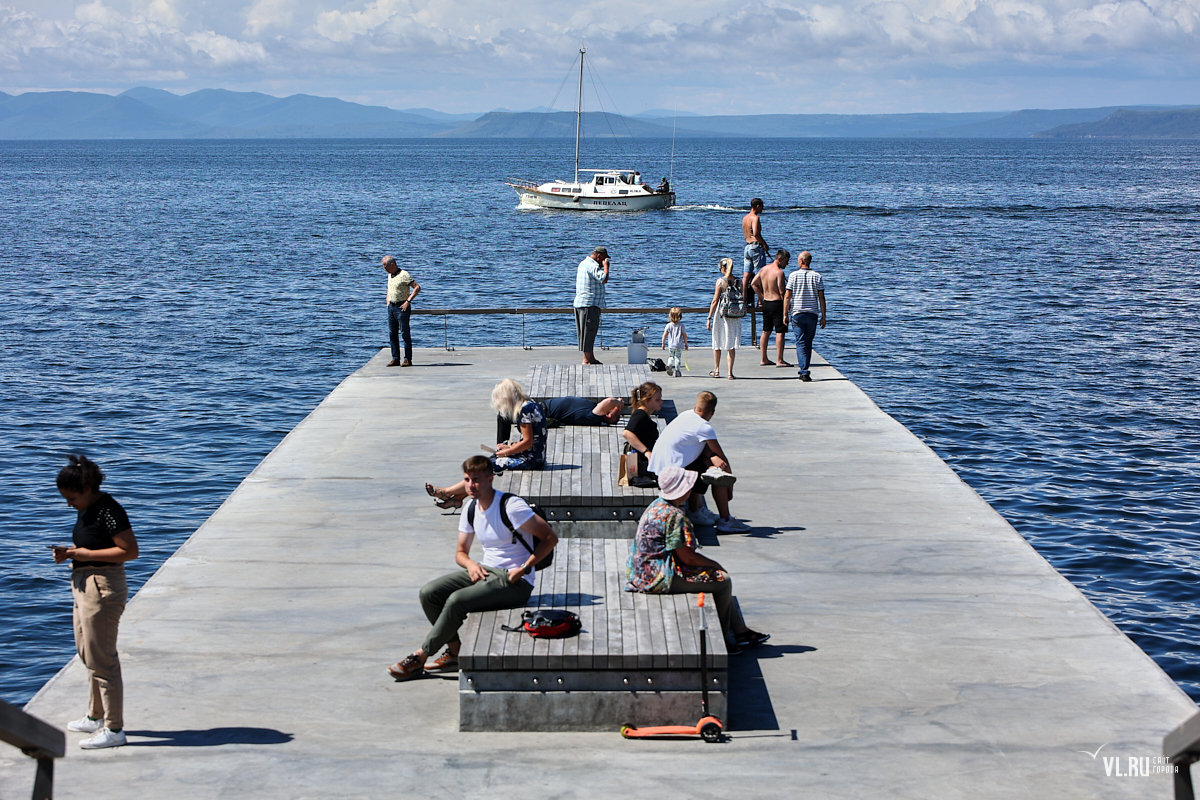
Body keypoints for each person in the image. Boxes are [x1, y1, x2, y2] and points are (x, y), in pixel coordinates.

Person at [391, 456, 557, 681]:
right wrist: (470, 564)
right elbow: (461, 552)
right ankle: (456, 652)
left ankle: (420, 656)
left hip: (515, 580)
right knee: (429, 593)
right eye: (467, 480)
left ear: (490, 479)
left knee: (457, 601)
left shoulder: (512, 507)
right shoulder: (471, 508)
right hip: (486, 572)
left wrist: (525, 568)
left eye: (476, 480)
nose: (471, 486)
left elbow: (550, 538)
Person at [625, 465, 769, 654]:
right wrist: (715, 564)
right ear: (682, 490)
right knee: (722, 580)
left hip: (641, 571)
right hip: (658, 577)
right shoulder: (675, 516)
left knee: (716, 580)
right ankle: (724, 640)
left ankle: (740, 631)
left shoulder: (657, 505)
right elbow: (688, 557)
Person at [52, 455, 139, 749]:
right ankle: (95, 715)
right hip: (83, 584)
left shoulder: (109, 510)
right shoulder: (88, 508)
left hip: (103, 587)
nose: (69, 504)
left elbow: (129, 551)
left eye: (72, 498)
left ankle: (114, 729)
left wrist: (83, 555)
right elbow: (94, 544)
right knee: (86, 652)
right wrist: (71, 553)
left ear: (87, 488)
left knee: (102, 657)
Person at [426, 379, 547, 508]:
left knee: (487, 467)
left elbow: (528, 442)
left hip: (531, 459)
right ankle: (456, 499)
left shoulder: (524, 411)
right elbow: (534, 439)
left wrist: (507, 452)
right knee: (489, 464)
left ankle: (447, 492)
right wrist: (510, 446)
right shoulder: (530, 404)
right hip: (536, 455)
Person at [648, 391, 751, 533]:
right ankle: (725, 520)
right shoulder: (704, 427)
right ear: (712, 412)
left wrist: (712, 457)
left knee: (707, 461)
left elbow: (702, 448)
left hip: (658, 470)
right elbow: (722, 458)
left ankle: (697, 509)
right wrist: (729, 489)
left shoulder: (686, 415)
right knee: (719, 473)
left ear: (696, 406)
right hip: (671, 477)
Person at [783, 250, 827, 382]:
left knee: (800, 342)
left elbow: (787, 296)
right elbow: (821, 297)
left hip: (797, 313)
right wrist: (823, 316)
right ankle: (804, 369)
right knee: (808, 342)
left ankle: (804, 371)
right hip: (812, 313)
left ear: (802, 261)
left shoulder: (793, 276)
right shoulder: (817, 276)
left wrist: (785, 313)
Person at [750, 249, 794, 368]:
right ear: (779, 259)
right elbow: (781, 292)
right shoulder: (779, 273)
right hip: (777, 303)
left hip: (767, 303)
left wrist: (762, 296)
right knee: (780, 331)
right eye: (786, 261)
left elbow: (753, 283)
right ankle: (780, 360)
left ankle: (763, 358)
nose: (787, 264)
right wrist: (787, 308)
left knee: (766, 331)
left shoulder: (764, 269)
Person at [706, 257, 743, 380]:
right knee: (730, 344)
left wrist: (709, 317)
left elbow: (715, 301)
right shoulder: (739, 281)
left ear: (723, 268)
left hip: (722, 314)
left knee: (717, 341)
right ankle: (730, 373)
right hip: (735, 315)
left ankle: (716, 370)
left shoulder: (720, 282)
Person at [622, 381, 664, 485]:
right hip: (640, 465)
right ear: (646, 401)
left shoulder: (643, 414)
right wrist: (646, 452)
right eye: (657, 399)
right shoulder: (640, 415)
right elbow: (627, 433)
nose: (661, 402)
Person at [382, 255, 421, 368]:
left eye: (385, 266)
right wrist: (387, 299)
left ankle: (407, 359)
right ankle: (395, 358)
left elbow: (417, 287)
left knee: (405, 334)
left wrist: (408, 301)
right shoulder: (390, 275)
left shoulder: (404, 275)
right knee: (392, 333)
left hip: (402, 306)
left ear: (392, 265)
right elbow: (390, 287)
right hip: (391, 307)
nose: (384, 268)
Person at [574, 247, 610, 365]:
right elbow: (603, 279)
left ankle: (590, 358)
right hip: (589, 304)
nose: (603, 262)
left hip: (584, 304)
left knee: (587, 332)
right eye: (603, 259)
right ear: (599, 256)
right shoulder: (592, 265)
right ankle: (587, 360)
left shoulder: (583, 264)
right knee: (588, 332)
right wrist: (606, 267)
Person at [741, 198, 769, 313]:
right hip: (756, 246)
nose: (762, 209)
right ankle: (760, 301)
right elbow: (756, 233)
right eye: (761, 206)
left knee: (746, 276)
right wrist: (765, 244)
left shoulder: (745, 218)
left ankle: (743, 299)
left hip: (747, 247)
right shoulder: (755, 218)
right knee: (760, 275)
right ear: (757, 206)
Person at [542, 396, 622, 426]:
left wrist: (619, 403)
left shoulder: (592, 417)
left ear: (607, 414)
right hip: (542, 407)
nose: (617, 407)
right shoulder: (593, 409)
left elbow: (610, 401)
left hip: (542, 412)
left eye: (616, 408)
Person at [661, 307, 688, 377]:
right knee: (677, 358)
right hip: (679, 345)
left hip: (671, 345)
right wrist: (686, 344)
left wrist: (663, 343)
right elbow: (685, 336)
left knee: (671, 356)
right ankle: (677, 371)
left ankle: (669, 364)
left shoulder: (668, 325)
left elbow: (664, 335)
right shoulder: (682, 326)